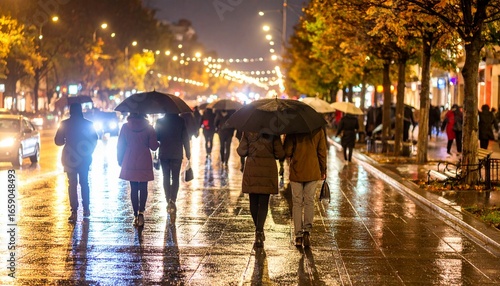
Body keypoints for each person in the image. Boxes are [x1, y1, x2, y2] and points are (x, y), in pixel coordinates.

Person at [237, 132, 285, 249]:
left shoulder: (248, 129)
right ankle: (259, 231)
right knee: (263, 204)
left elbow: (241, 151)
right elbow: (280, 153)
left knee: (253, 202)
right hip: (267, 171)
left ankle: (258, 230)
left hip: (252, 170)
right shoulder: (273, 132)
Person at [283, 127, 327, 247]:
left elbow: (287, 152)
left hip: (297, 171)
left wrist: (286, 139)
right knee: (309, 201)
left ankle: (298, 236)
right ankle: (307, 232)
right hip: (312, 171)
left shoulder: (293, 130)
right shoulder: (318, 130)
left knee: (297, 203)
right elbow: (322, 152)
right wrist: (323, 169)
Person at [54, 103, 98, 222]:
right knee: (84, 183)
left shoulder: (65, 124)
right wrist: (88, 151)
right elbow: (95, 139)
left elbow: (58, 141)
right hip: (84, 157)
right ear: (81, 111)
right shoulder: (88, 124)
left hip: (69, 158)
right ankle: (86, 209)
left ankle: (74, 210)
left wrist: (66, 139)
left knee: (72, 184)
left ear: (70, 111)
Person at [117, 113, 159, 227]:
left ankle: (135, 214)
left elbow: (120, 144)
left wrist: (120, 159)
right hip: (144, 158)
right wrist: (157, 141)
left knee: (134, 188)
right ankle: (141, 212)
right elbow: (153, 146)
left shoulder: (125, 127)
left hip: (130, 158)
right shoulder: (149, 127)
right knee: (143, 187)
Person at [156, 113, 191, 214]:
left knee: (166, 176)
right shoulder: (180, 121)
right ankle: (173, 200)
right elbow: (185, 138)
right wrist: (188, 153)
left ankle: (168, 199)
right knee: (175, 177)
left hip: (164, 153)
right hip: (176, 153)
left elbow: (157, 137)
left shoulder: (160, 121)